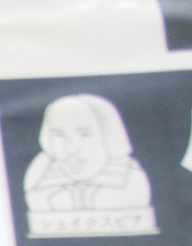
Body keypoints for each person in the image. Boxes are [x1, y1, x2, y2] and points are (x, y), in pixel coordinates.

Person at [23, 93, 157, 237]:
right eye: (59, 135)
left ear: (109, 136)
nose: (71, 149)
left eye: (85, 134)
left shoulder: (132, 181)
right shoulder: (39, 186)